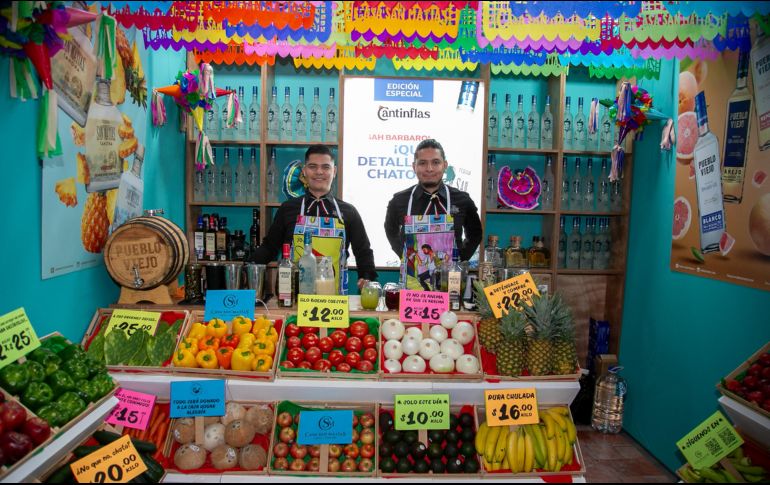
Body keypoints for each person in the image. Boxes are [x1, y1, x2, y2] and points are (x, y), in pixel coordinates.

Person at [251, 145, 377, 290]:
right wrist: (249, 267)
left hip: (333, 300)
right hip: (293, 296)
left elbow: (363, 251)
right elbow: (269, 247)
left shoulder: (348, 212)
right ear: (304, 171)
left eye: (325, 167)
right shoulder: (287, 209)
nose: (319, 172)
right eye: (312, 166)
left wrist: (366, 277)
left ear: (334, 171)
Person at [384, 139, 482, 290]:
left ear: (445, 165)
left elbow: (475, 234)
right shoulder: (399, 201)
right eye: (422, 163)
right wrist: (405, 257)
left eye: (435, 162)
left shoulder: (462, 199)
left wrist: (460, 258)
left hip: (451, 284)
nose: (429, 168)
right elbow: (390, 230)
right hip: (413, 287)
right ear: (414, 167)